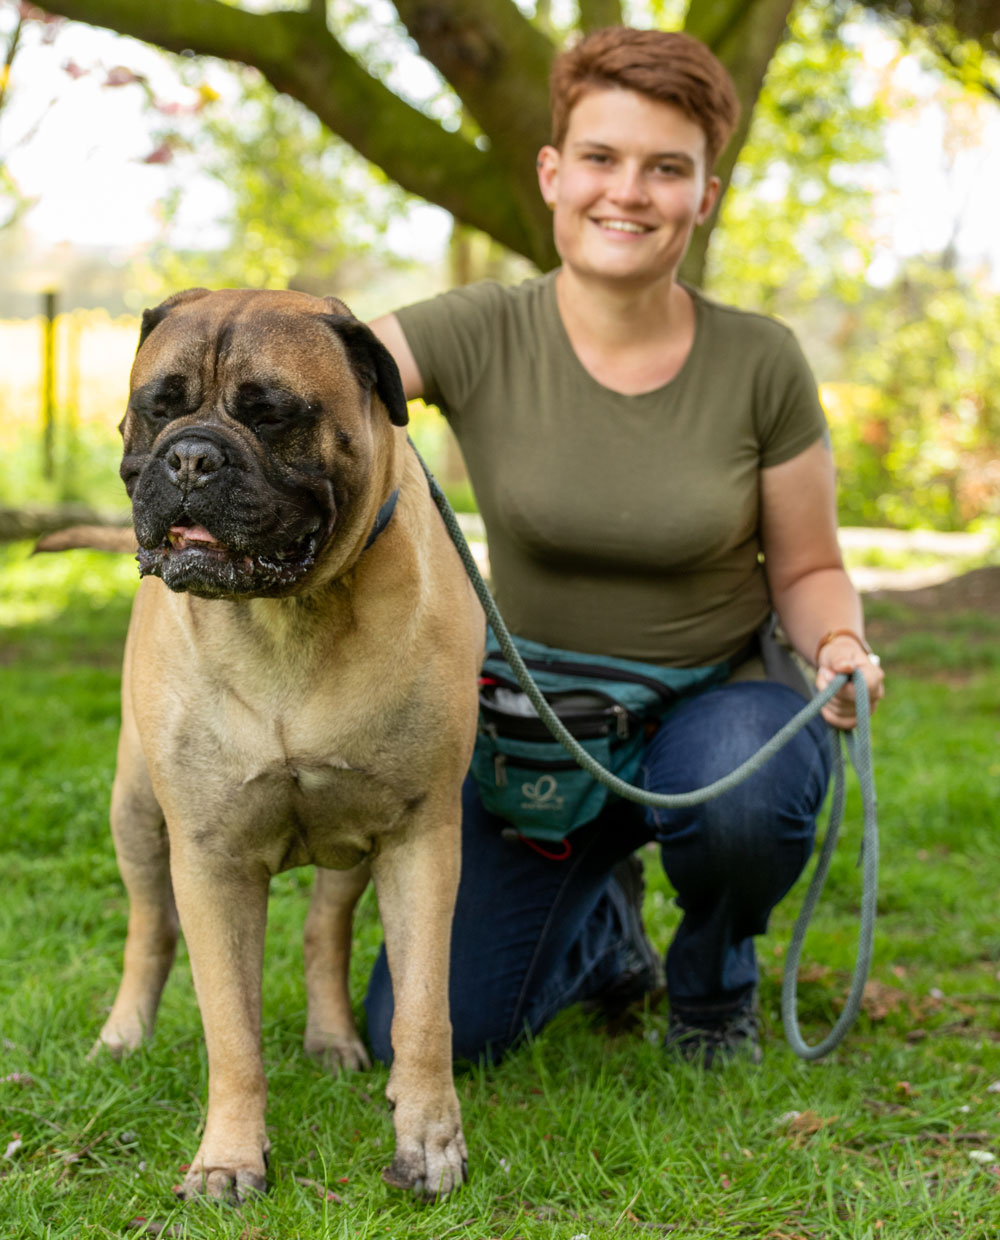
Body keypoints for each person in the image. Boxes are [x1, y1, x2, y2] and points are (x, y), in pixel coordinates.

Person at [364, 26, 885, 1068]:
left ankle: (711, 976)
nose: (628, 192)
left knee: (743, 789)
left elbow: (809, 568)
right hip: (531, 729)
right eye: (600, 158)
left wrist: (835, 644)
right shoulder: (479, 330)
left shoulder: (762, 362)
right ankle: (604, 933)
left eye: (666, 169)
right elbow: (325, 371)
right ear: (553, 172)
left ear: (707, 194)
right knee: (424, 1037)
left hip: (715, 705)